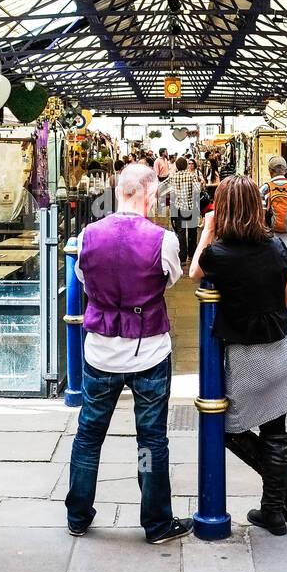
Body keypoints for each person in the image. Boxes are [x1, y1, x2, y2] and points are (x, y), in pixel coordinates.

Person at [66, 163, 193, 543]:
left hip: (100, 351)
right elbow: (170, 280)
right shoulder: (163, 239)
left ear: (117, 190)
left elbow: (85, 279)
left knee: (89, 434)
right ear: (149, 194)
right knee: (151, 439)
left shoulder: (88, 235)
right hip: (149, 352)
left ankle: (78, 515)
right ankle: (156, 523)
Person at [190, 175, 287, 536]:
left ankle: (286, 478)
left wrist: (208, 228)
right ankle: (273, 511)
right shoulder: (275, 246)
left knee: (224, 428)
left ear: (223, 210)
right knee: (276, 427)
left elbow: (194, 271)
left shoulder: (219, 254)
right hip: (284, 350)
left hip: (246, 357)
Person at [167, 155, 203, 264]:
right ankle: (191, 254)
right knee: (192, 231)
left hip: (179, 207)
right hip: (191, 207)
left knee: (181, 232)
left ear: (177, 166)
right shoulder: (191, 176)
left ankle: (182, 257)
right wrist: (200, 183)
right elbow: (197, 190)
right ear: (186, 165)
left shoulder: (173, 176)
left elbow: (163, 186)